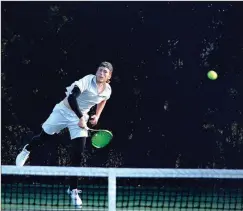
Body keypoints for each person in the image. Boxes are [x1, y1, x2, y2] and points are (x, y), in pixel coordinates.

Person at [15, 61, 113, 207]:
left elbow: (103, 100)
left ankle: (72, 189)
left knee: (78, 153)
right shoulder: (87, 80)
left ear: (109, 76)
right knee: (44, 137)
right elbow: (72, 98)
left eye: (105, 71)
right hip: (63, 111)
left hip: (80, 117)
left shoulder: (107, 90)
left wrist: (97, 115)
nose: (101, 73)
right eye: (100, 70)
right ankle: (27, 150)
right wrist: (81, 117)